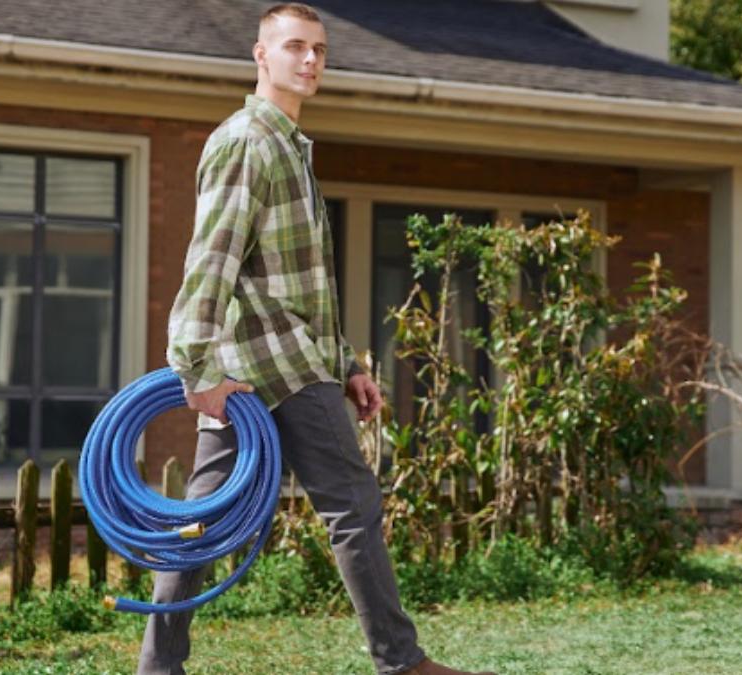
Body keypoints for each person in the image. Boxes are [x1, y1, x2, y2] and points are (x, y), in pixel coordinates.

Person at [139, 4, 496, 675]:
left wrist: (349, 364)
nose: (309, 61)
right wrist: (195, 373)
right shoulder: (249, 143)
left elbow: (301, 283)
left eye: (320, 51)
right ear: (260, 56)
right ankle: (401, 661)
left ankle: (158, 668)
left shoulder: (288, 148)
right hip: (275, 370)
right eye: (295, 47)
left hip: (279, 365)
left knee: (203, 521)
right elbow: (209, 265)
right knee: (352, 505)